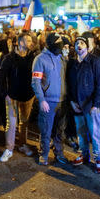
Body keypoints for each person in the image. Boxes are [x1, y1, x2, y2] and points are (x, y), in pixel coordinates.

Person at [67, 37, 100, 174]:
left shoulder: (95, 61)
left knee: (95, 134)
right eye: (77, 43)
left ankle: (99, 160)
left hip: (91, 106)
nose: (79, 45)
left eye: (82, 43)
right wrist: (72, 101)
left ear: (87, 46)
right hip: (77, 105)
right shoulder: (72, 63)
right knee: (81, 133)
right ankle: (84, 155)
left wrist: (96, 104)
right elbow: (69, 84)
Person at [0, 33, 37, 162]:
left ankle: (22, 145)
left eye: (31, 40)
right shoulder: (9, 58)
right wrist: (5, 94)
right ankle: (9, 148)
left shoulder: (33, 57)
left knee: (24, 122)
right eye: (28, 40)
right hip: (12, 96)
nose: (31, 42)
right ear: (20, 43)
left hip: (28, 95)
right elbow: (0, 78)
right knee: (12, 122)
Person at [31, 32, 68, 165]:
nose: (61, 45)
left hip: (62, 102)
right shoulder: (40, 59)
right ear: (50, 43)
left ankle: (59, 154)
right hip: (48, 102)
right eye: (58, 42)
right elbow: (35, 81)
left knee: (60, 131)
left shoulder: (62, 58)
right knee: (46, 131)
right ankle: (44, 155)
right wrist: (41, 100)